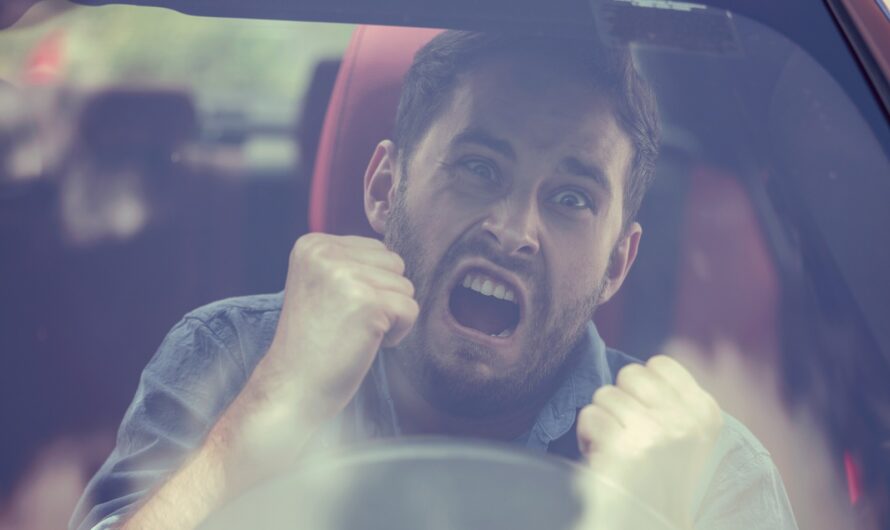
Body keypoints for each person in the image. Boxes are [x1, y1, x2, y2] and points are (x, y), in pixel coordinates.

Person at [71, 31, 797, 530]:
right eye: (479, 167)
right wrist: (269, 409)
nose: (514, 230)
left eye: (571, 198)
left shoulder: (700, 464)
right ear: (385, 187)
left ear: (617, 264)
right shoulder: (230, 359)